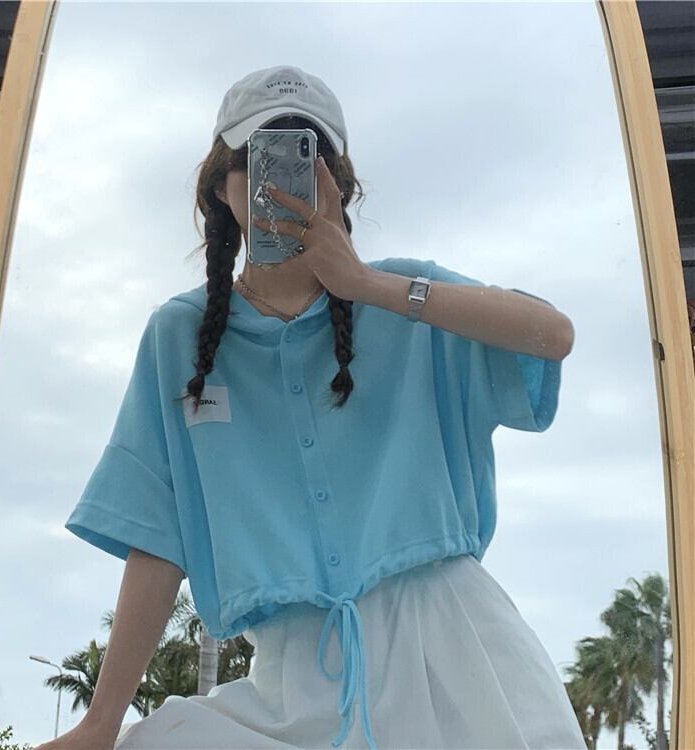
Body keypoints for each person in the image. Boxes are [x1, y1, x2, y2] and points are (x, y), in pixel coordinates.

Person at [36, 65, 585, 750]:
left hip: (459, 655)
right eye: (256, 157)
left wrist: (367, 285)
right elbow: (158, 538)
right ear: (221, 185)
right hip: (294, 678)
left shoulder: (406, 295)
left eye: (308, 155)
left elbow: (552, 335)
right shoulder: (178, 337)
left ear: (338, 183)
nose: (279, 181)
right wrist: (100, 722)